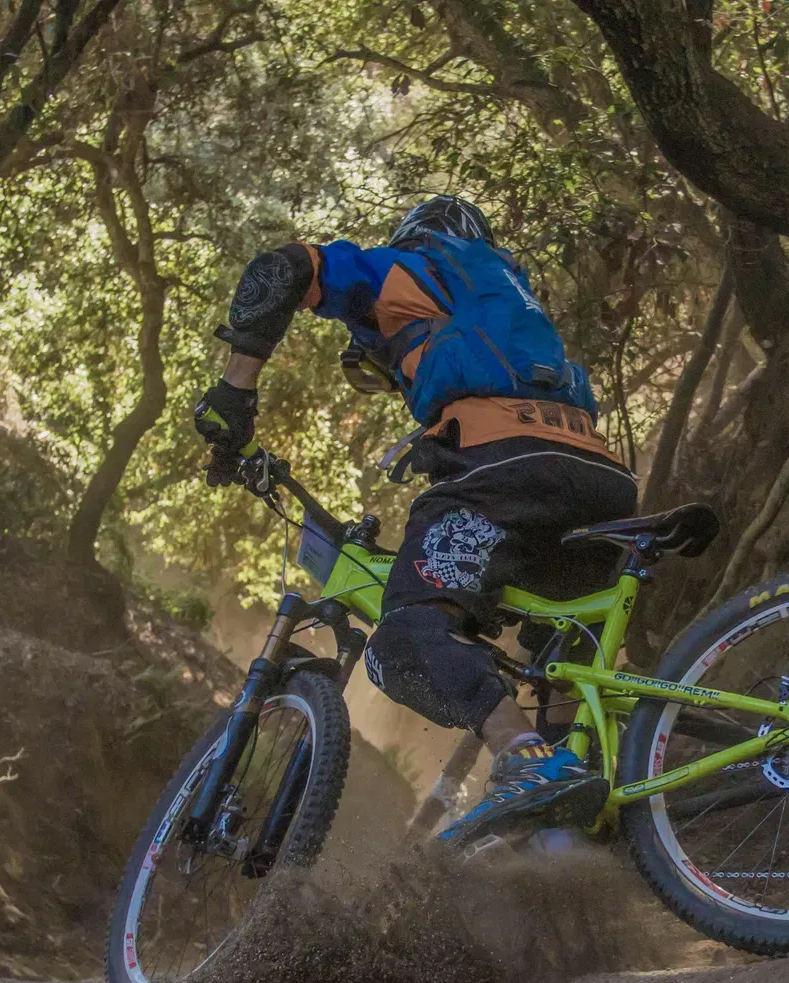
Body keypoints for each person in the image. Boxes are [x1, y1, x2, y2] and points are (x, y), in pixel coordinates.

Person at [192, 196, 636, 847]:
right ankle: (575, 821)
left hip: (503, 467)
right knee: (557, 662)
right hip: (598, 478)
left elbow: (284, 268)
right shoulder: (515, 300)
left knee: (407, 631)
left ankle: (522, 756)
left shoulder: (414, 266)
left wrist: (234, 392)